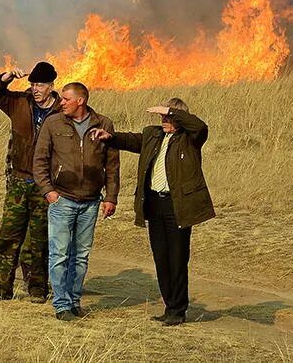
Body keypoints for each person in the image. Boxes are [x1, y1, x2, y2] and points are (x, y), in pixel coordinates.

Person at [89, 97, 215, 326]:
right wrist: (111, 137)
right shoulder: (153, 135)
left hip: (177, 206)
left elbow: (200, 126)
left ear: (179, 118)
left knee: (177, 259)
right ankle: (170, 307)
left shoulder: (191, 138)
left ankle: (178, 310)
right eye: (163, 117)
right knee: (161, 258)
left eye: (168, 117)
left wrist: (171, 110)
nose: (164, 120)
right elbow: (131, 140)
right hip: (155, 204)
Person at [33, 82, 118, 321]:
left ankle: (74, 301)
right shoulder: (53, 123)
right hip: (62, 199)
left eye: (66, 99)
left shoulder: (104, 124)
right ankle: (61, 305)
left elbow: (112, 165)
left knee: (80, 256)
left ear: (80, 101)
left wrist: (111, 197)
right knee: (59, 255)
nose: (61, 102)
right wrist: (48, 191)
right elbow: (39, 160)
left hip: (91, 201)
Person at [0, 61, 61, 302]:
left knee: (39, 240)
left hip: (45, 185)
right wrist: (6, 77)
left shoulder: (61, 112)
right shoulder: (18, 103)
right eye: (33, 84)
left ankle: (37, 288)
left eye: (40, 85)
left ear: (51, 86)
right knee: (9, 236)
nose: (36, 89)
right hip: (19, 180)